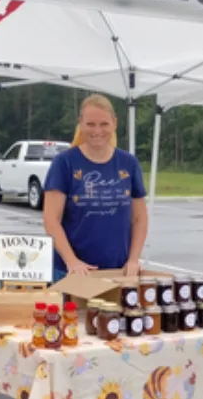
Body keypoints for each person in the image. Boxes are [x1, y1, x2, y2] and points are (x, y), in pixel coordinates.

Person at [43, 94, 148, 281]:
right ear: (80, 124)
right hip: (72, 273)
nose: (97, 131)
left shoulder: (129, 163)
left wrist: (133, 259)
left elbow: (139, 218)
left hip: (118, 272)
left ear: (114, 123)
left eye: (104, 124)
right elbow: (51, 220)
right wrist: (72, 261)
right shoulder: (64, 163)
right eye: (90, 124)